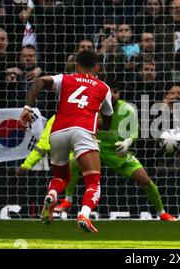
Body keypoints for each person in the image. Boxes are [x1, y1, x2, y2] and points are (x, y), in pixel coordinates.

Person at [17, 86, 177, 222]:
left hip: (116, 152)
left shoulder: (128, 109)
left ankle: (161, 213)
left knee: (146, 181)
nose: (113, 95)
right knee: (73, 163)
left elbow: (134, 132)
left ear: (119, 93)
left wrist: (127, 142)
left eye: (116, 92)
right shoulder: (94, 108)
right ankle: (68, 200)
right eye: (111, 92)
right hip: (95, 149)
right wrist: (92, 138)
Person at [18, 50, 113, 233]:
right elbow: (107, 123)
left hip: (58, 131)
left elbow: (39, 81)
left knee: (61, 177)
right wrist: (95, 120)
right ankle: (84, 214)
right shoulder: (103, 88)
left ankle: (52, 195)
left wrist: (28, 108)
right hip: (83, 131)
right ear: (98, 67)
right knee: (93, 181)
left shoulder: (65, 79)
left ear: (77, 66)